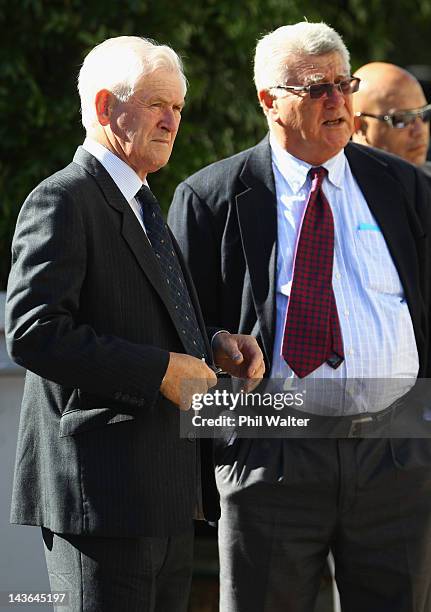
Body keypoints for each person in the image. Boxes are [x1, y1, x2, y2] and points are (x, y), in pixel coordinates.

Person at [168, 22, 431, 612]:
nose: (339, 102)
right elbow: (182, 331)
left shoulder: (404, 188)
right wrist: (230, 443)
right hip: (271, 452)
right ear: (269, 99)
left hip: (396, 452)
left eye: (345, 83)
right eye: (318, 89)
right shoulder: (212, 198)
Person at [5, 36, 264, 612]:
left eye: (178, 107)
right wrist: (160, 372)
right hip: (100, 499)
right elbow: (32, 330)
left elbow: (143, 316)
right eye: (156, 105)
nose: (172, 121)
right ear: (104, 108)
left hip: (164, 496)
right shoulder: (64, 199)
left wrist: (214, 344)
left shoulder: (143, 202)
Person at [352, 62, 431, 172]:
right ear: (359, 126)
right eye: (402, 119)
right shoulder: (337, 185)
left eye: (425, 114)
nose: (419, 131)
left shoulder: (425, 179)